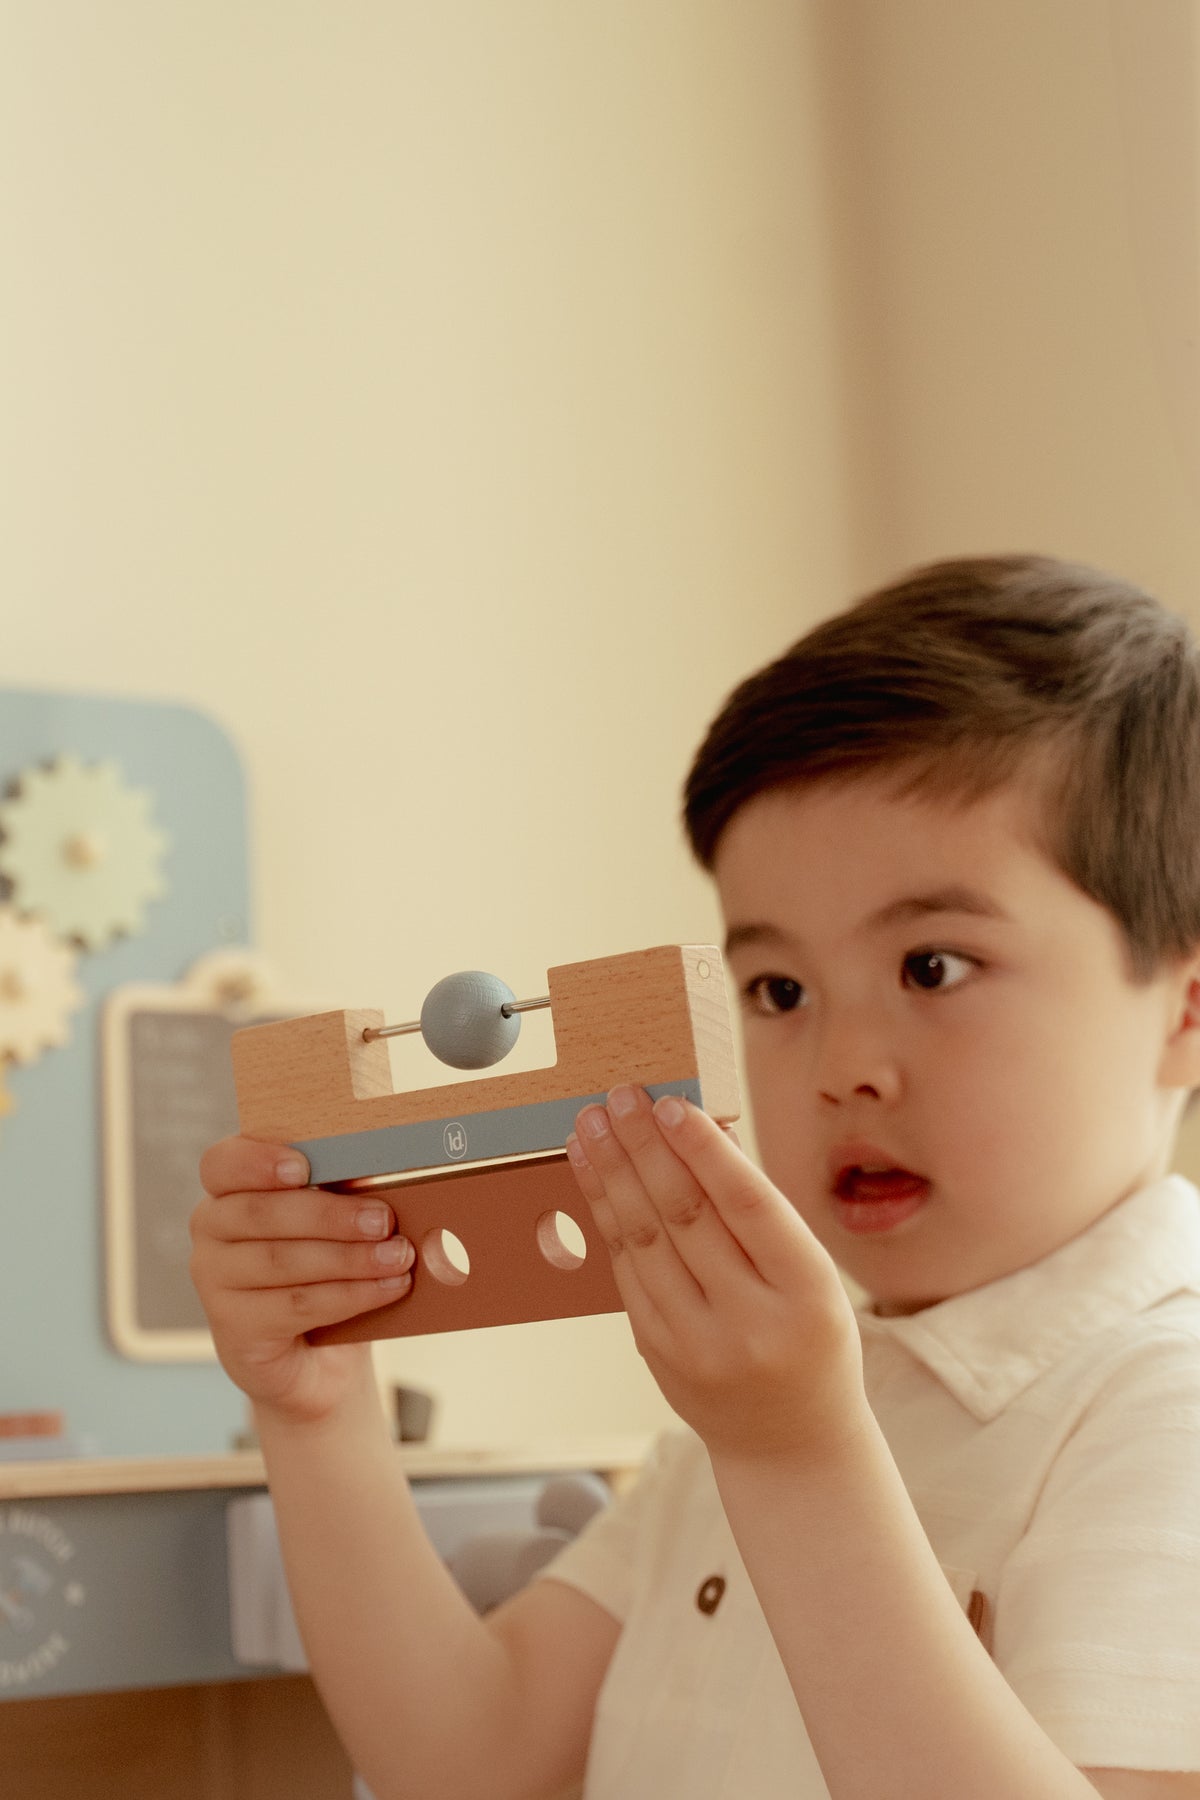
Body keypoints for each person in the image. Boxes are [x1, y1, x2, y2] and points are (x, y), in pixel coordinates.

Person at [191, 554, 1200, 1800]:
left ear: (1185, 1007)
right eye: (778, 990)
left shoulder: (1164, 1413)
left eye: (933, 967)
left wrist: (797, 1455)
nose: (842, 1068)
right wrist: (318, 1408)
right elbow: (467, 1762)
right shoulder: (762, 1419)